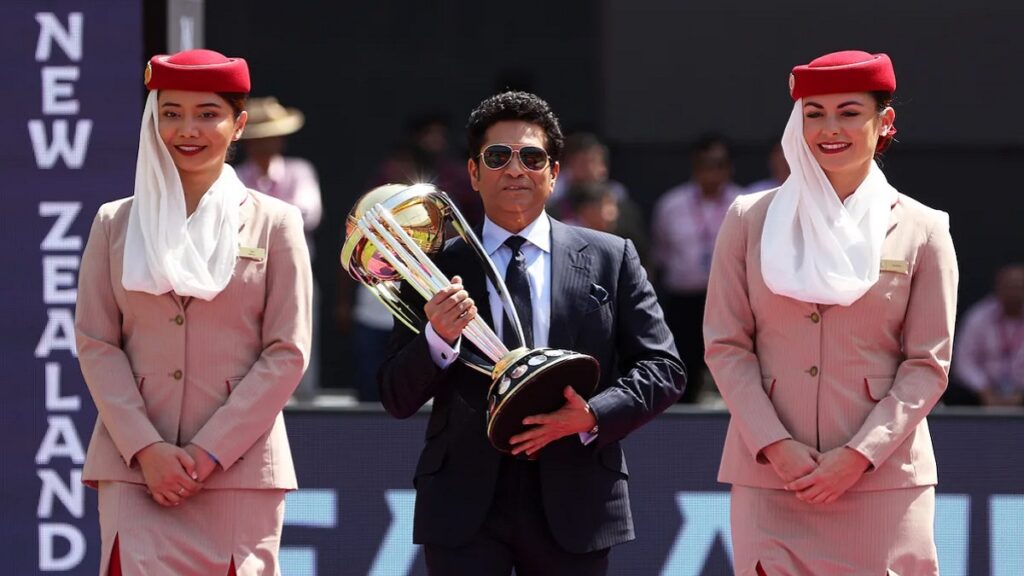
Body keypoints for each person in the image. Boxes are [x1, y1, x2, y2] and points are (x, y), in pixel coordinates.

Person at [378, 91, 685, 575]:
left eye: (532, 158)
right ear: (474, 172)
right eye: (498, 157)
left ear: (554, 173)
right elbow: (396, 396)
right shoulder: (432, 268)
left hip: (577, 498)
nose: (515, 170)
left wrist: (590, 415)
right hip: (463, 504)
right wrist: (438, 338)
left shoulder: (611, 256)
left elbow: (664, 368)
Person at [704, 50, 958, 575]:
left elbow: (928, 364)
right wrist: (775, 445)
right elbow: (726, 345)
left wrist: (860, 454)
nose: (829, 129)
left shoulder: (924, 228)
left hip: (882, 480)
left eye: (849, 112)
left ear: (884, 121)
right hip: (773, 477)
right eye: (814, 113)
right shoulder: (749, 219)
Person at [75, 49, 312, 576]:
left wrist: (208, 452)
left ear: (239, 124)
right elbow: (97, 343)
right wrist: (146, 448)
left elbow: (287, 352)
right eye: (171, 113)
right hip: (137, 469)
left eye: (208, 114)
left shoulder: (277, 223)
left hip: (238, 470)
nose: (187, 129)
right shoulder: (114, 223)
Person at [235, 96, 323, 400]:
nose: (267, 143)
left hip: (296, 275)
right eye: (260, 137)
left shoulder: (300, 171)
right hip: (246, 279)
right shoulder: (234, 177)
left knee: (300, 344)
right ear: (248, 142)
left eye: (272, 136)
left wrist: (257, 220)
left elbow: (308, 214)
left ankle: (305, 412)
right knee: (248, 351)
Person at [651, 133, 745, 403]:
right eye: (704, 164)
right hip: (684, 302)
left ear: (729, 167)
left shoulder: (744, 203)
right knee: (684, 370)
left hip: (731, 300)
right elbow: (661, 253)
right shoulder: (671, 205)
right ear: (694, 167)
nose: (711, 172)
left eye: (718, 164)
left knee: (735, 368)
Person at [953, 264, 1024, 406]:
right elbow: (963, 361)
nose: (1014, 293)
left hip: (1021, 391)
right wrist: (983, 390)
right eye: (1009, 286)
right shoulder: (978, 316)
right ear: (998, 288)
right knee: (954, 393)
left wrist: (1021, 395)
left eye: (1019, 287)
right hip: (980, 393)